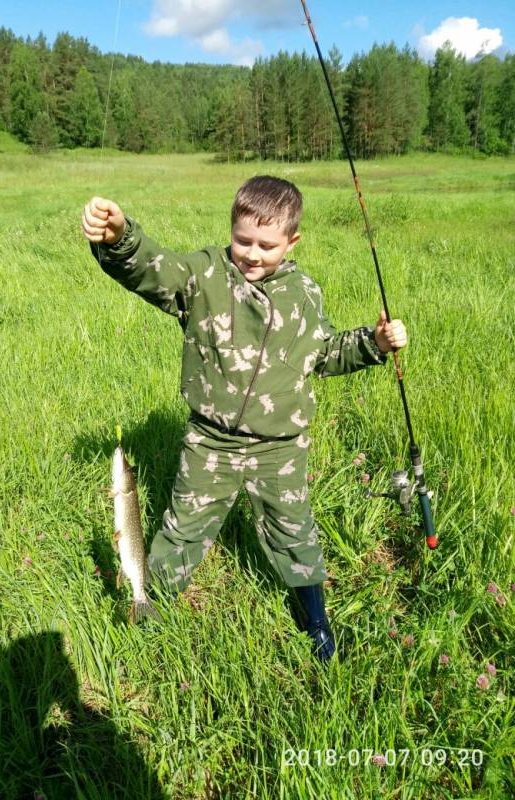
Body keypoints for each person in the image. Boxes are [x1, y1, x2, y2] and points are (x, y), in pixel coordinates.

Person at [81, 176, 407, 664]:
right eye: (243, 240)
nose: (252, 254)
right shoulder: (205, 275)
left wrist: (374, 344)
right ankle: (150, 608)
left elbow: (325, 354)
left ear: (292, 242)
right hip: (210, 443)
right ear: (230, 230)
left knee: (294, 530)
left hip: (280, 447)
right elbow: (155, 269)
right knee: (183, 528)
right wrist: (121, 236)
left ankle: (315, 620)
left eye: (267, 245)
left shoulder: (304, 294)